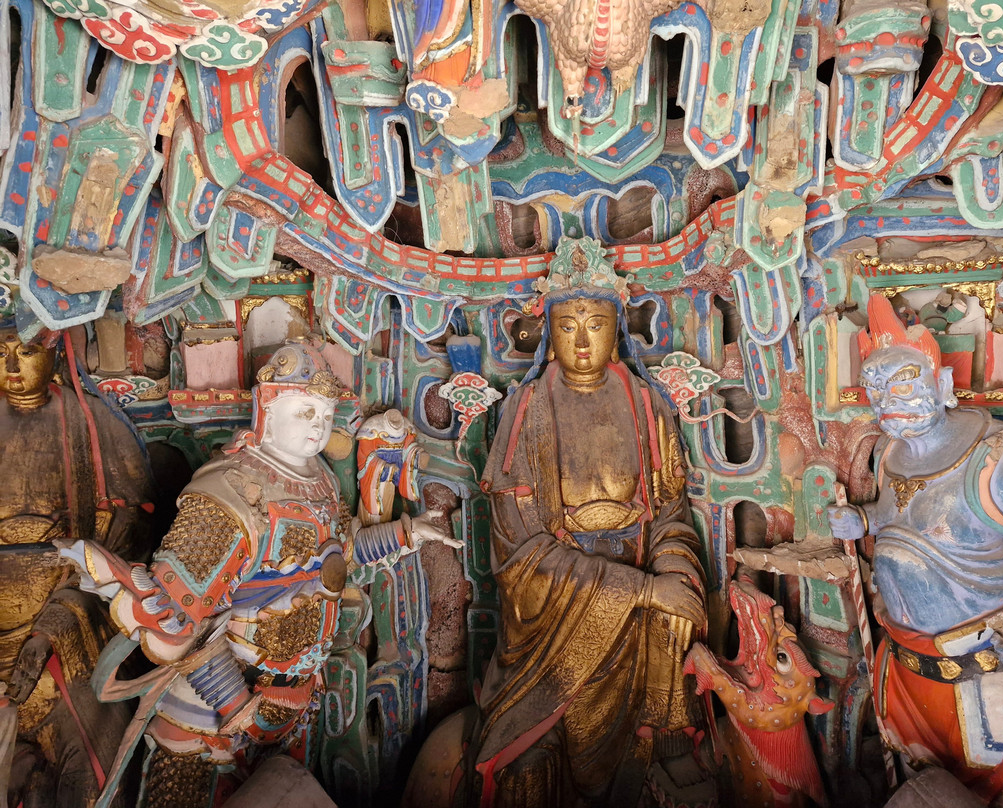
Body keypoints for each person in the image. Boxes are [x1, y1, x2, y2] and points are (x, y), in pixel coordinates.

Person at [59, 339, 455, 808]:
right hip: (210, 712)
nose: (318, 425)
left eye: (326, 415)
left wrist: (408, 533)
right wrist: (235, 704)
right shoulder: (230, 489)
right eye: (304, 411)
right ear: (267, 407)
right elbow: (179, 621)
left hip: (292, 701)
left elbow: (339, 556)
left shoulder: (323, 482)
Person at [473, 239, 714, 808]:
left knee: (678, 607)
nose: (582, 342)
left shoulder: (645, 405)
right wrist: (641, 591)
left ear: (617, 328)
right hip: (555, 614)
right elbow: (519, 552)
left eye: (597, 324)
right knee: (530, 766)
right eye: (567, 326)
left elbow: (671, 514)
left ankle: (664, 749)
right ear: (548, 332)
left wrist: (672, 572)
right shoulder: (526, 411)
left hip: (637, 587)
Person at [828, 294, 1003, 805]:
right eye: (875, 387)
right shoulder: (889, 451)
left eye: (904, 382)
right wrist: (866, 519)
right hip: (905, 671)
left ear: (942, 384)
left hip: (989, 676)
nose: (887, 400)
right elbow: (907, 514)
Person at [0, 329, 156, 808]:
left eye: (26, 351)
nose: (11, 367)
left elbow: (128, 535)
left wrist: (55, 625)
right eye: (1, 354)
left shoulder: (91, 423)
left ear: (54, 353)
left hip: (69, 630)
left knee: (95, 775)